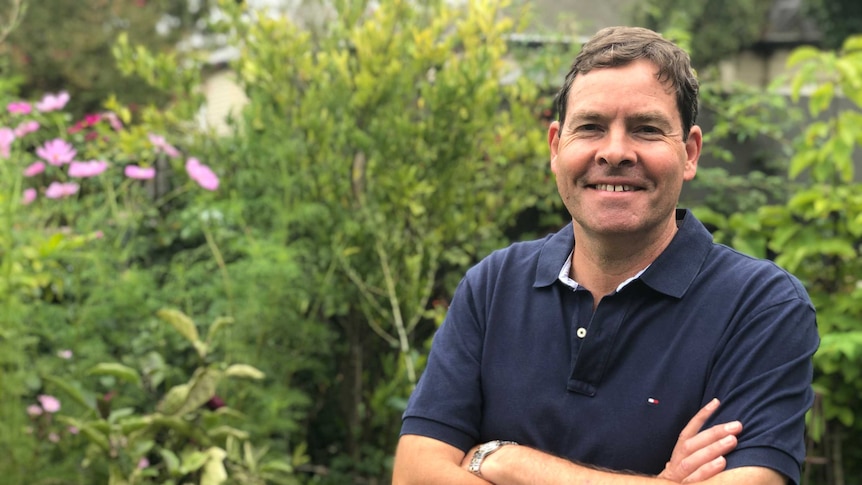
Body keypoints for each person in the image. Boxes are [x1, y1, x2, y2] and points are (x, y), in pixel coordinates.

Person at [391, 26, 819, 485]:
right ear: (556, 147)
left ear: (690, 152)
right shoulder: (494, 285)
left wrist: (505, 461)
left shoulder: (762, 307)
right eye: (591, 127)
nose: (615, 152)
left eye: (646, 129)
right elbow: (415, 474)